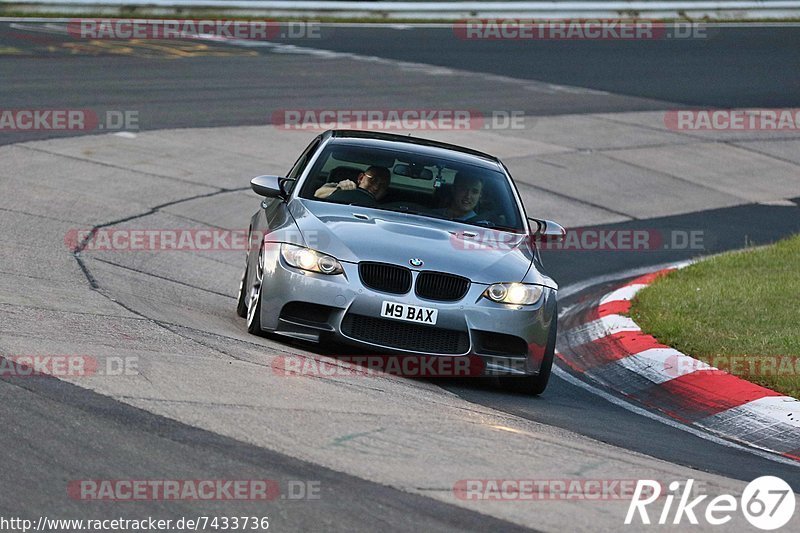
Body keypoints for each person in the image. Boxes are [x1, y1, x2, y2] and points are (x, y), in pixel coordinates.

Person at [315, 166, 391, 207]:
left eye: (382, 185)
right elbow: (318, 194)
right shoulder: (343, 187)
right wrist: (338, 189)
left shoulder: (385, 209)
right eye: (373, 180)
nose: (376, 187)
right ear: (361, 178)